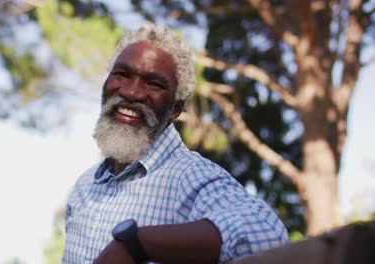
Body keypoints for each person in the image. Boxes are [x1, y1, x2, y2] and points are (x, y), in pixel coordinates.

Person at [62, 25, 288, 264]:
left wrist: (137, 244)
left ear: (176, 110)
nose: (130, 92)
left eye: (153, 84)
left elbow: (269, 236)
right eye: (122, 74)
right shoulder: (85, 187)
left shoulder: (189, 176)